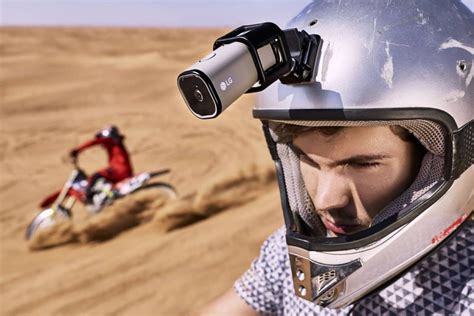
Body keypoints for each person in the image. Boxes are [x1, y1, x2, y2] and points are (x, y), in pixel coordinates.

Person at [196, 0, 473, 314]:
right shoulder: (288, 255)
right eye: (307, 160)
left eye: (362, 164)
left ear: (436, 159)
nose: (326, 200)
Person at [70, 125, 134, 203]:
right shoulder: (117, 145)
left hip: (119, 171)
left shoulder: (111, 141)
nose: (102, 143)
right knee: (101, 180)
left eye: (101, 138)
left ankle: (89, 197)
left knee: (96, 177)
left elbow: (93, 142)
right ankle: (106, 195)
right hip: (125, 172)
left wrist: (77, 150)